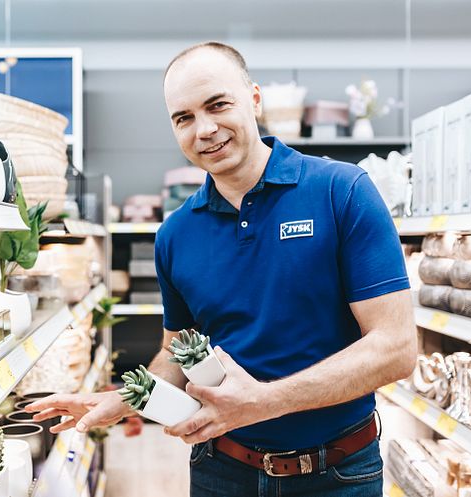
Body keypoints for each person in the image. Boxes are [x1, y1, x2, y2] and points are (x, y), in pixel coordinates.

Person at [25, 41, 417, 496]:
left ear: (254, 99)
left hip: (338, 473)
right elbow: (178, 352)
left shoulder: (341, 191)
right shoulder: (176, 235)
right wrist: (126, 398)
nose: (204, 129)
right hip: (222, 471)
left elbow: (396, 348)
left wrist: (263, 402)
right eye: (183, 118)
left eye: (217, 105)